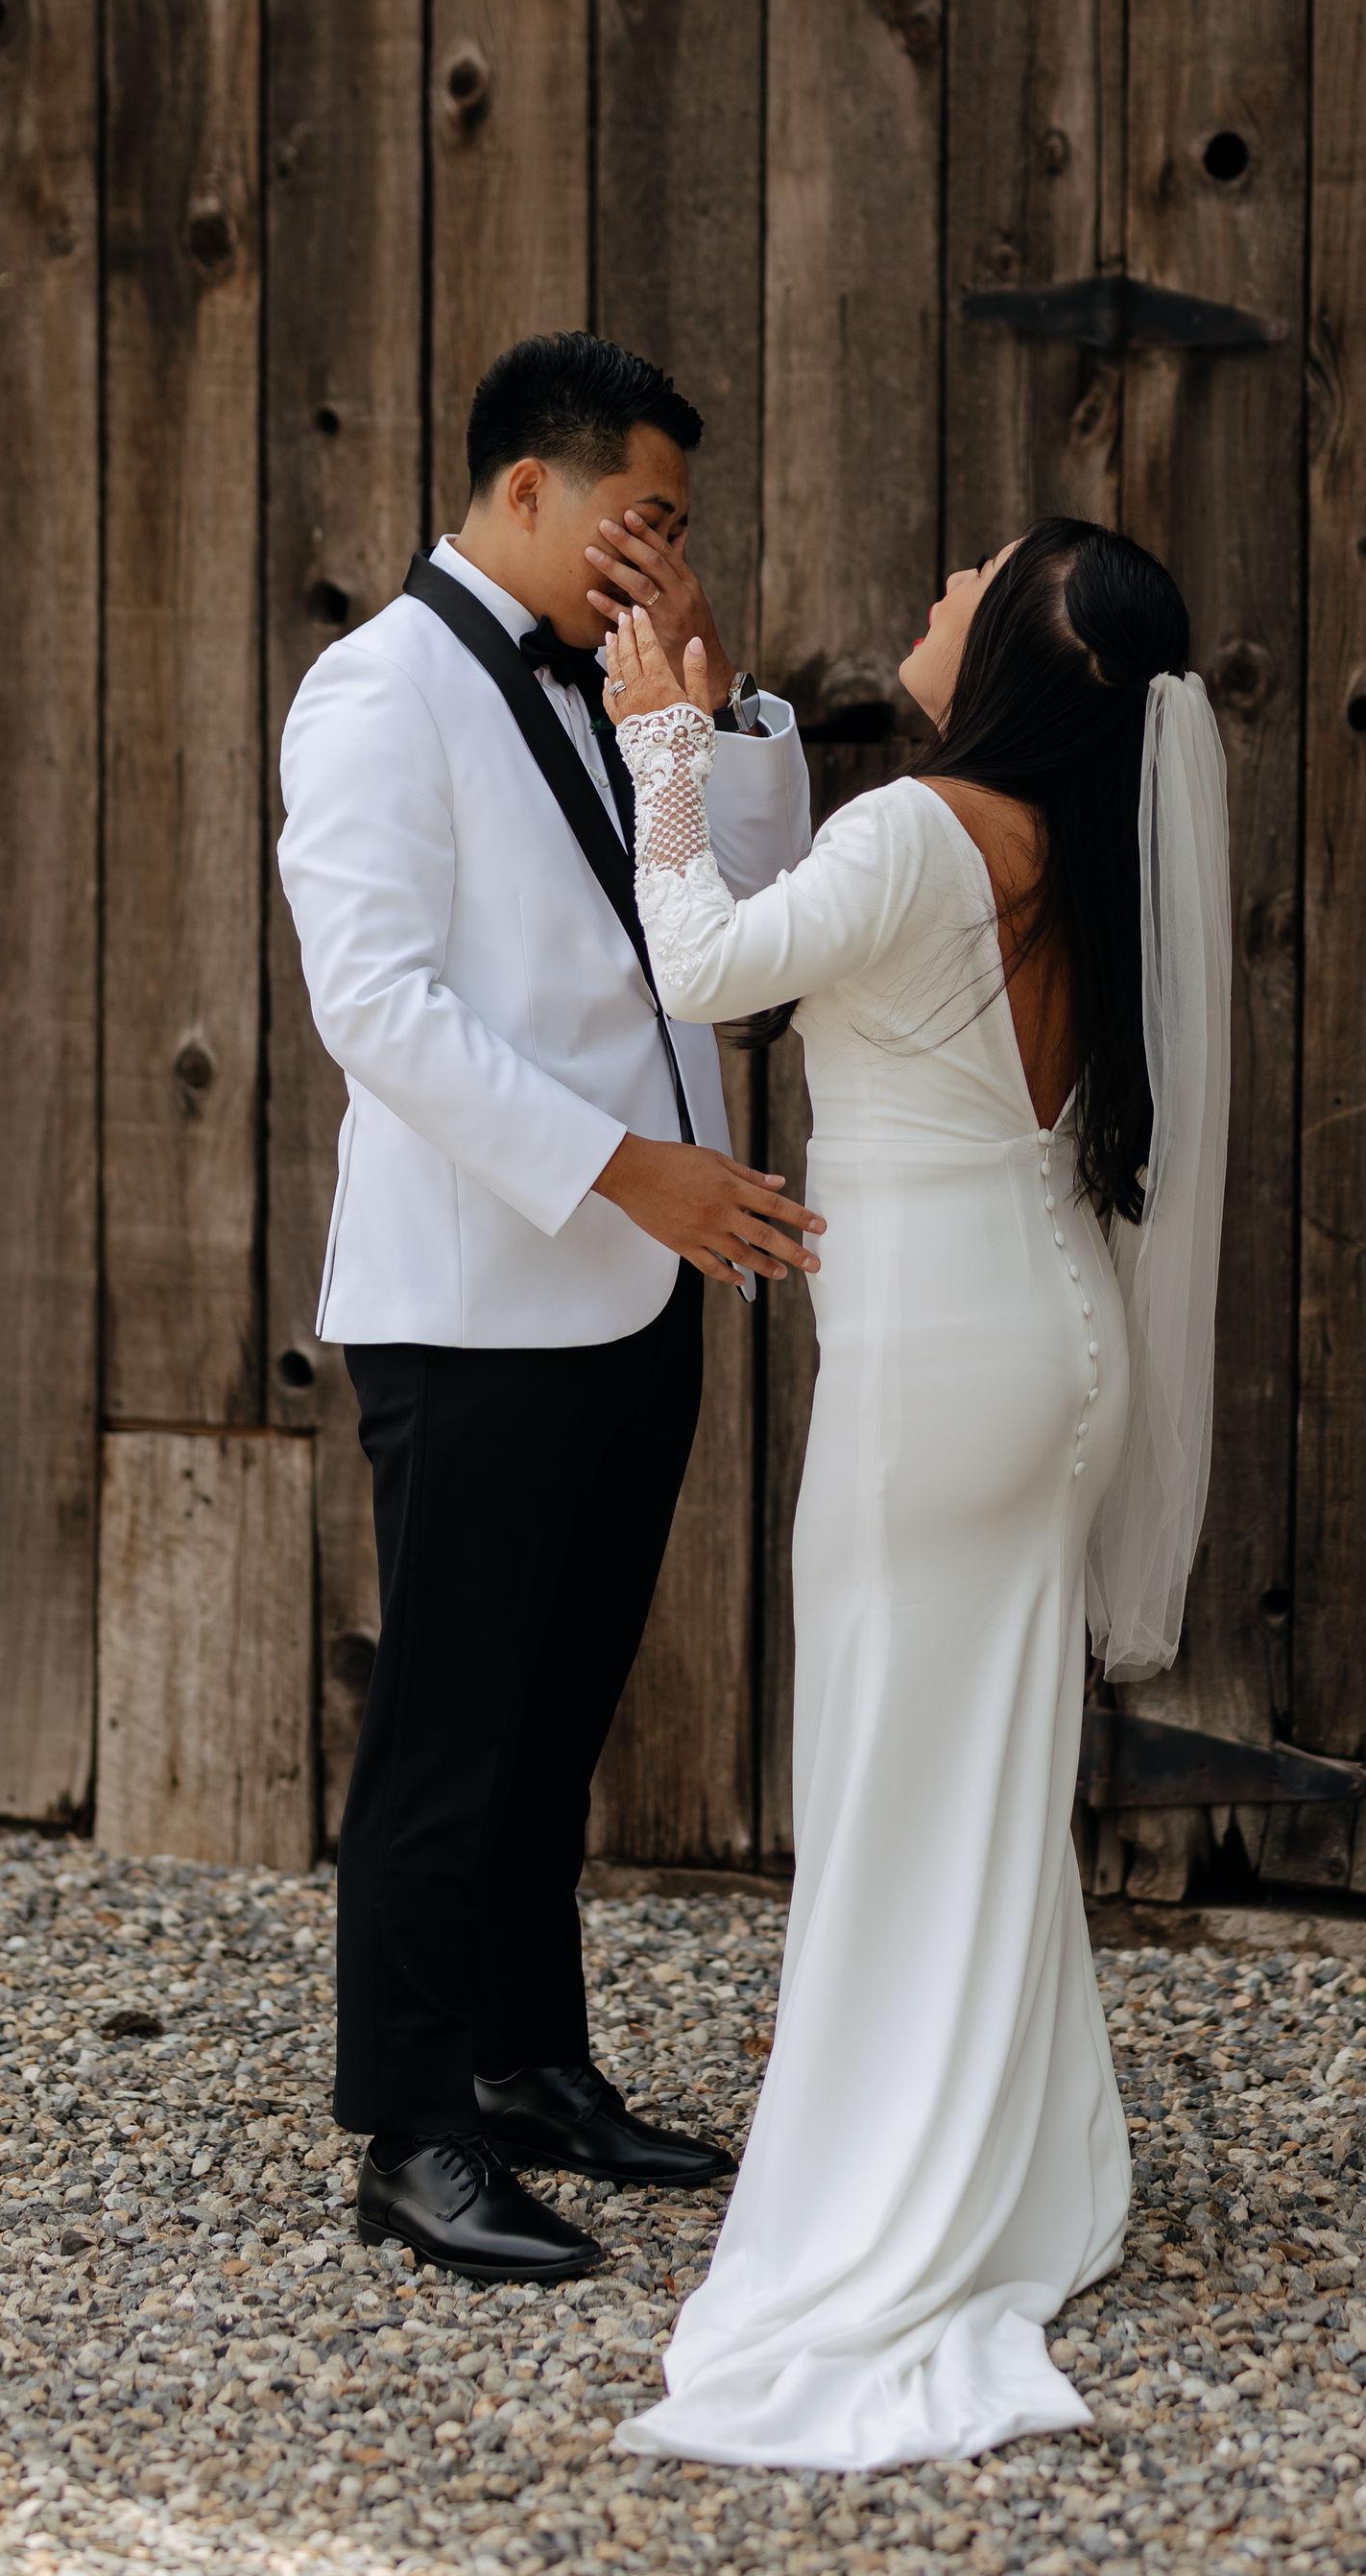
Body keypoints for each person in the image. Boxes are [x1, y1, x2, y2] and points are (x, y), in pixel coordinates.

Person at [599, 516, 1232, 2469]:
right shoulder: (1080, 849)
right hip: (1058, 1353)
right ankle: (1024, 2169)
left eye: (974, 581)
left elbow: (703, 965)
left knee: (889, 1770)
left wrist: (660, 741)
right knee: (993, 1771)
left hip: (938, 1373)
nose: (940, 587)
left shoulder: (920, 829)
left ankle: (885, 2197)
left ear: (1023, 650)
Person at [276, 332, 816, 2283]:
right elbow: (377, 1006)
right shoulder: (377, 690)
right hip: (478, 1296)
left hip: (636, 1296)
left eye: (677, 524)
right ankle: (411, 2131)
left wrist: (712, 686)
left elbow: (752, 915)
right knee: (449, 1729)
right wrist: (624, 1170)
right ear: (528, 489)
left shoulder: (617, 674)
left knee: (559, 1714)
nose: (657, 548)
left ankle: (528, 2068)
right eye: (639, 514)